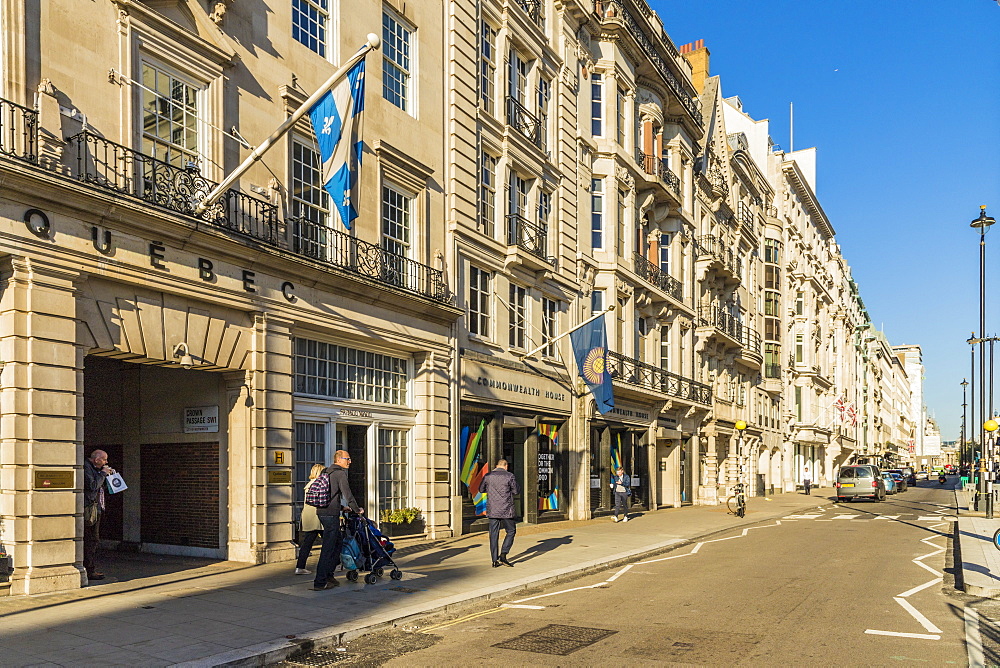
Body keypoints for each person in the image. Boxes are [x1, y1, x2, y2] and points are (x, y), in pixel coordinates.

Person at [312, 450, 363, 590]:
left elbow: (328, 496)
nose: (350, 461)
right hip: (330, 515)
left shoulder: (325, 472)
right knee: (328, 548)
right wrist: (357, 510)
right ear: (339, 459)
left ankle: (329, 576)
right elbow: (348, 495)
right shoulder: (340, 474)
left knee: (337, 543)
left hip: (323, 512)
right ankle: (320, 582)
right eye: (348, 459)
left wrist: (342, 508)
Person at [479, 459, 519, 568]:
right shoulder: (509, 476)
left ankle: (494, 560)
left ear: (497, 466)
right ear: (506, 466)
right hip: (506, 509)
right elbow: (516, 491)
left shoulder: (488, 476)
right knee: (511, 531)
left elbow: (481, 489)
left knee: (493, 534)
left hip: (493, 509)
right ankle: (503, 554)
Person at [83, 449, 114, 581]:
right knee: (91, 539)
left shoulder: (95, 469)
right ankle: (89, 569)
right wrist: (102, 473)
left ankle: (89, 567)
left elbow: (101, 487)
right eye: (104, 460)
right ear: (96, 460)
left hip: (97, 507)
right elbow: (92, 485)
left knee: (93, 539)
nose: (106, 462)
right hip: (90, 508)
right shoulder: (86, 468)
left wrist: (109, 476)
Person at [295, 463, 327, 574]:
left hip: (309, 517)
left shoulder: (309, 485)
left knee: (307, 543)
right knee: (332, 542)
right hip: (318, 517)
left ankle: (300, 566)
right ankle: (335, 563)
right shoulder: (318, 485)